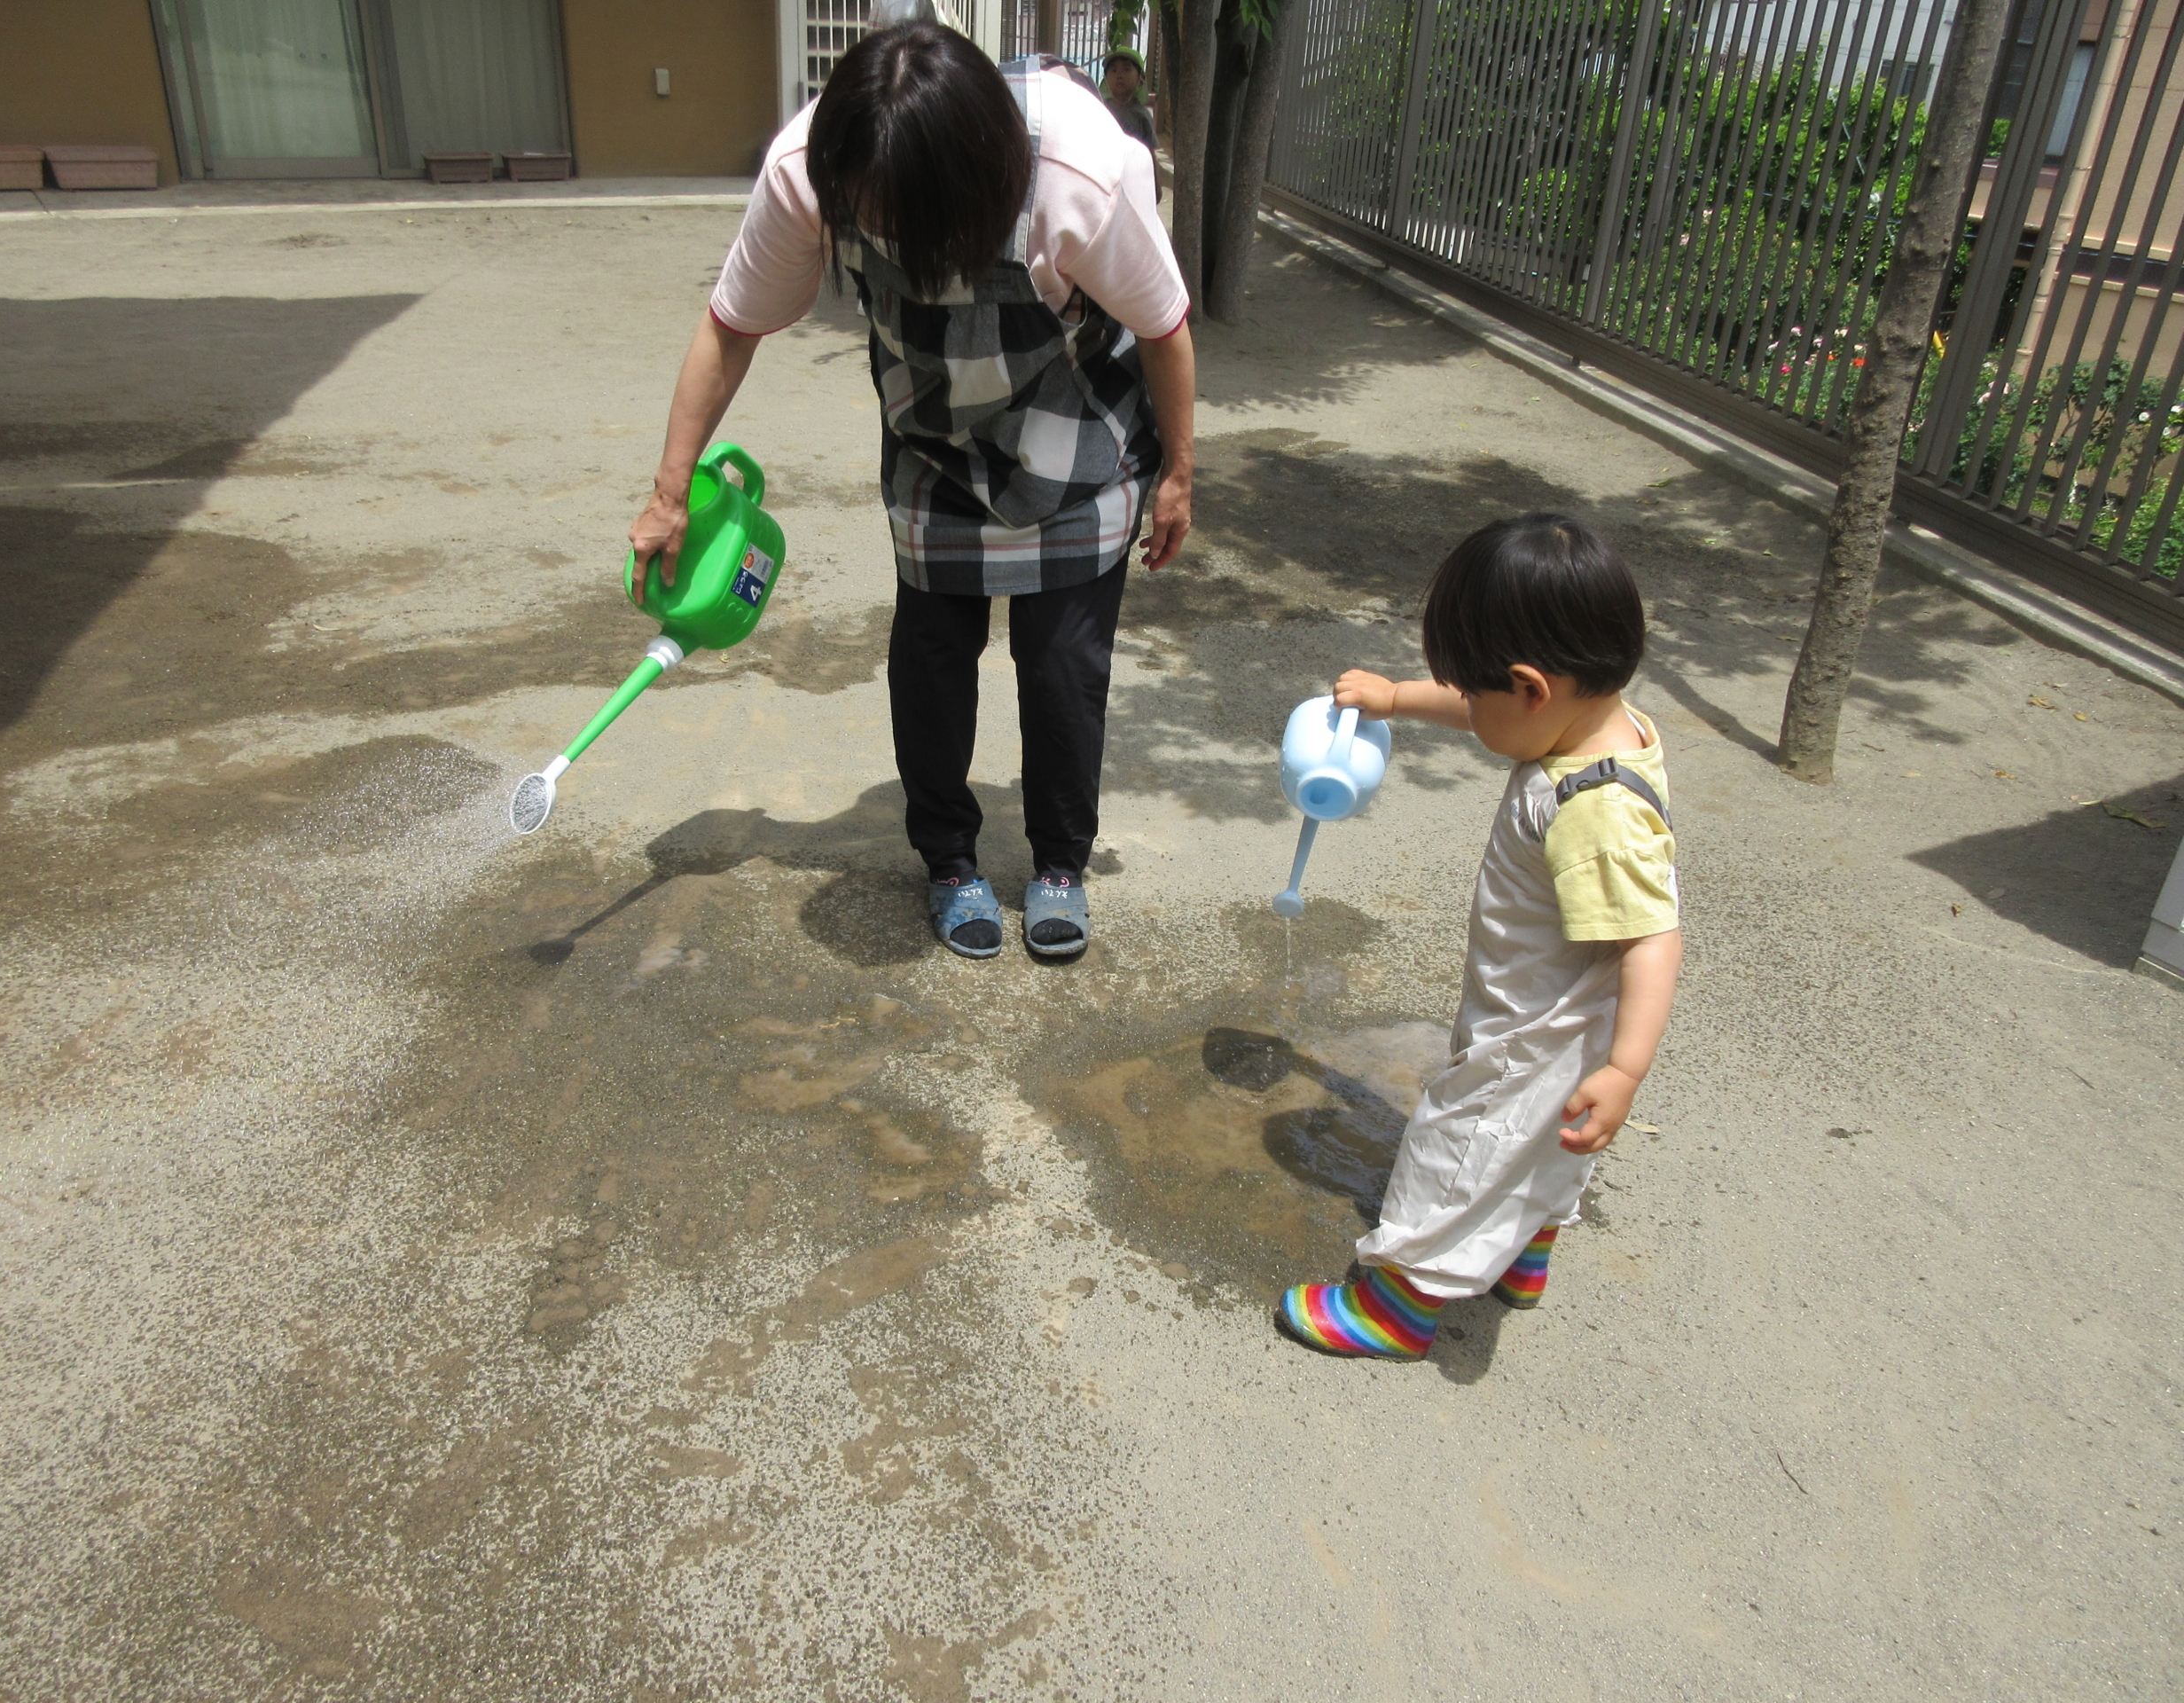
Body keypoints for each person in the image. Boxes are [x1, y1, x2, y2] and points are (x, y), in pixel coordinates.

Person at [627, 22, 1195, 961]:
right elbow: (732, 325)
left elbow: (1166, 327)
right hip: (931, 438)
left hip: (1078, 423)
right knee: (930, 663)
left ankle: (1059, 861)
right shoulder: (808, 171)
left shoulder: (1081, 174)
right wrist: (668, 492)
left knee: (1061, 668)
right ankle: (946, 859)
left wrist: (1177, 474)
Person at [1278, 515, 1683, 1360]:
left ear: (1533, 689)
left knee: (1460, 1139)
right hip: (1549, 1012)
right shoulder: (1597, 719)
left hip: (1539, 1032)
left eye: (1475, 689)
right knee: (1545, 1144)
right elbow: (1484, 708)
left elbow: (1652, 937)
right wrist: (1394, 699)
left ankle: (1399, 1302)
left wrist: (1626, 1069)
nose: (1465, 704)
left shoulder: (1593, 809)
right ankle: (1523, 1250)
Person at [1098, 47, 1162, 200]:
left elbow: (1150, 152)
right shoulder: (1100, 111)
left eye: (1126, 70)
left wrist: (1156, 185)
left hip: (1134, 181)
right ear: (1105, 79)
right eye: (1113, 71)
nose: (1119, 76)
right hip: (1105, 179)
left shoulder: (1142, 116)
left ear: (1141, 78)